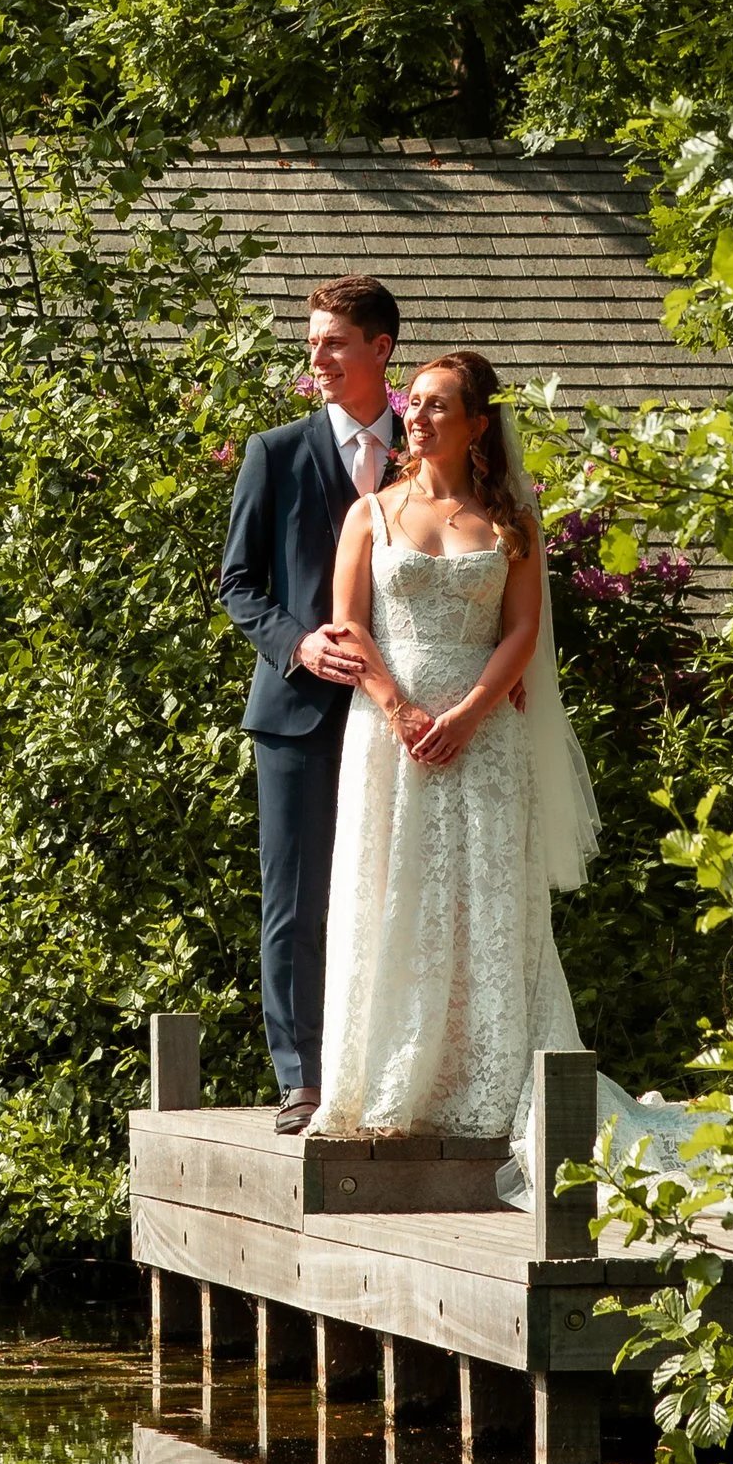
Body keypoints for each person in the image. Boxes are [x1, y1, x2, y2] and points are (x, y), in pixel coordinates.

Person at [312, 349, 598, 1142]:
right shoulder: (370, 512)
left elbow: (523, 630)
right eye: (417, 401)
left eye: (440, 405)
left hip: (485, 735)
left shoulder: (507, 522)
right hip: (388, 736)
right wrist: (397, 711)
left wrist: (471, 712)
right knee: (394, 891)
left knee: (484, 899)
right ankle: (393, 1078)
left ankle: (491, 1080)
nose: (419, 415)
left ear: (478, 424)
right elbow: (350, 626)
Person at [219, 276, 405, 1136]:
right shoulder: (277, 452)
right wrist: (298, 642)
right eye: (313, 342)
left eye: (334, 342)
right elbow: (238, 584)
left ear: (381, 349)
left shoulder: (427, 447)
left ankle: (390, 1067)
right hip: (296, 710)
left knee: (395, 891)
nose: (317, 358)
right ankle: (300, 1077)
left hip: (406, 713)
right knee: (294, 897)